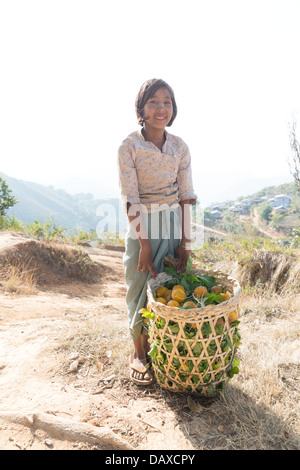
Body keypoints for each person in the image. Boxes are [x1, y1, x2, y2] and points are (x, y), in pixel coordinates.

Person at [118, 78, 197, 385]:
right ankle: (138, 352)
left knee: (169, 286)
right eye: (153, 102)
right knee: (138, 287)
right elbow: (130, 198)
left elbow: (186, 195)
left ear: (173, 108)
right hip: (143, 226)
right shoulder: (129, 147)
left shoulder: (179, 147)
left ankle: (164, 348)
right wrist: (145, 244)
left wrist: (185, 243)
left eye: (167, 101)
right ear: (142, 108)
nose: (161, 108)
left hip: (174, 222)